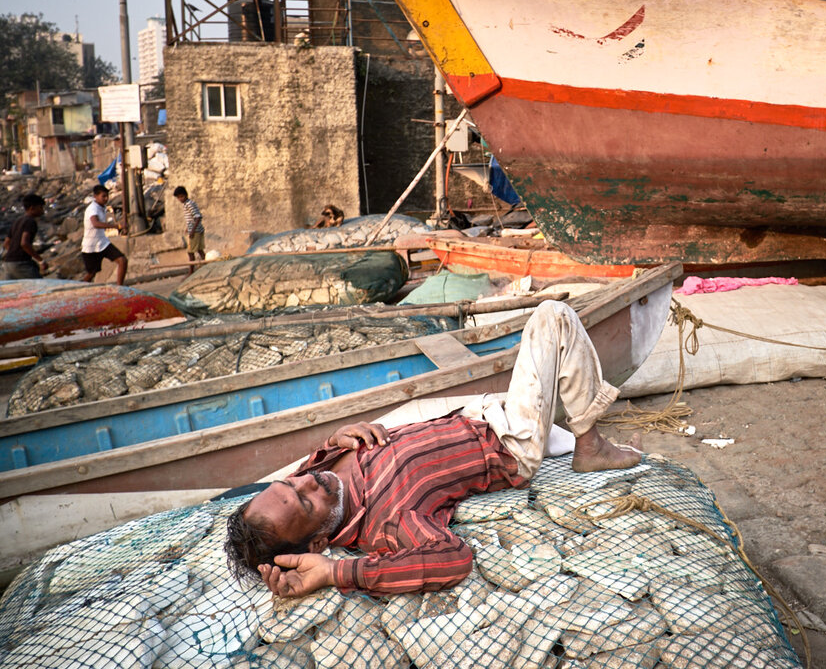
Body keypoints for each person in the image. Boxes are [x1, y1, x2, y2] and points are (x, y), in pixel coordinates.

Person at [225, 300, 641, 598]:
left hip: (469, 414)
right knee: (554, 317)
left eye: (291, 484)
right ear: (317, 543)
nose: (309, 482)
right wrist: (337, 572)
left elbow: (313, 469)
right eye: (306, 503)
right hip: (508, 442)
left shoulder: (323, 470)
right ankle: (590, 446)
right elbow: (451, 559)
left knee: (553, 381)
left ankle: (580, 435)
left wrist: (337, 438)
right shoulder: (388, 522)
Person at [81, 184, 126, 285]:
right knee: (91, 273)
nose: (106, 199)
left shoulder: (102, 207)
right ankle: (78, 288)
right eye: (103, 196)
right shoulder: (93, 209)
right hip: (91, 246)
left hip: (102, 243)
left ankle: (120, 287)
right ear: (95, 196)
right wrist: (116, 226)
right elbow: (95, 224)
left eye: (107, 196)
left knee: (122, 260)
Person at [1, 193, 50, 279]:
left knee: (13, 290)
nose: (42, 210)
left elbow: (6, 243)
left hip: (8, 264)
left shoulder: (18, 221)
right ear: (32, 208)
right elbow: (24, 243)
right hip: (21, 264)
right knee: (38, 287)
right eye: (40, 207)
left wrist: (14, 254)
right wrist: (40, 260)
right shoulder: (30, 222)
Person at [173, 186, 205, 274]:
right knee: (199, 250)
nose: (180, 199)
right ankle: (207, 267)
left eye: (181, 196)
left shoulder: (189, 204)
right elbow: (191, 218)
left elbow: (198, 217)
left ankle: (191, 272)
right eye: (178, 197)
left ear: (186, 195)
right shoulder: (186, 204)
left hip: (196, 231)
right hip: (196, 230)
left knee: (190, 252)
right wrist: (188, 228)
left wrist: (192, 231)